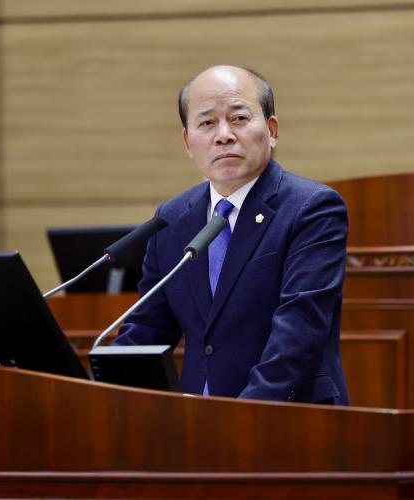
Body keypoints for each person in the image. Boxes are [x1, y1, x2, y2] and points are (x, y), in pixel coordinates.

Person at [113, 65, 350, 405]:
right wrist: (97, 396)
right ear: (188, 142)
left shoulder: (311, 209)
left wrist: (239, 418)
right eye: (207, 123)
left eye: (239, 118)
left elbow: (299, 333)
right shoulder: (172, 220)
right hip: (196, 422)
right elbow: (147, 330)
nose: (223, 135)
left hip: (288, 417)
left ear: (271, 130)